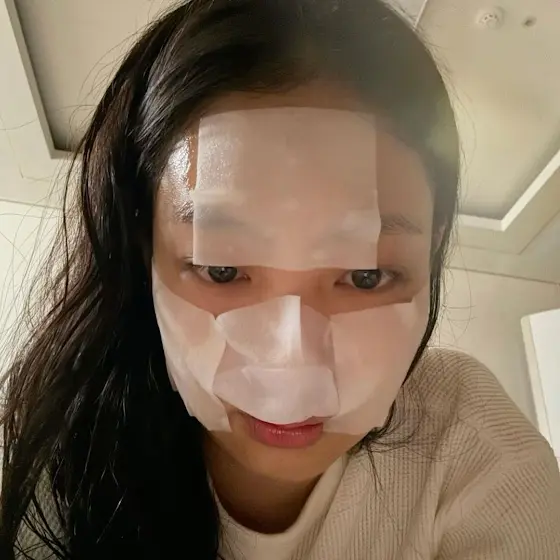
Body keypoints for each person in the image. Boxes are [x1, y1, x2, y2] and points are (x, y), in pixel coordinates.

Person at [1, 0, 559, 558]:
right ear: (143, 251)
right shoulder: (53, 468)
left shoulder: (473, 447)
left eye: (365, 276)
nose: (290, 371)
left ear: (431, 250)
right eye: (222, 270)